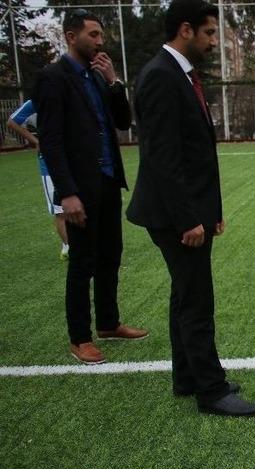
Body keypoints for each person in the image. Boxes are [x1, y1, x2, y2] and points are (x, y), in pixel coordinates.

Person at [127, 0, 255, 416]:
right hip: (174, 215)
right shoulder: (160, 77)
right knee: (196, 300)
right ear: (185, 30)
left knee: (185, 295)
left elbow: (198, 153)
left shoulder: (181, 77)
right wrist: (188, 218)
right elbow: (163, 157)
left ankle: (187, 376)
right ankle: (211, 390)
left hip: (188, 209)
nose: (212, 42)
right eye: (208, 34)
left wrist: (211, 210)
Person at [33, 9, 148, 365]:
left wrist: (114, 82)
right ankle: (79, 337)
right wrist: (66, 192)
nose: (101, 42)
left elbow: (123, 121)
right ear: (71, 36)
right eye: (94, 35)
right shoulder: (53, 78)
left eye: (101, 35)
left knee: (110, 255)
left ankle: (109, 323)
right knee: (82, 262)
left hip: (108, 180)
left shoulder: (98, 77)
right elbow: (50, 141)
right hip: (80, 187)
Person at [6, 100, 70, 260]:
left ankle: (78, 245)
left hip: (72, 159)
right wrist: (36, 141)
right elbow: (11, 122)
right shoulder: (35, 101)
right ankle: (68, 246)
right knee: (59, 209)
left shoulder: (69, 96)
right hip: (48, 162)